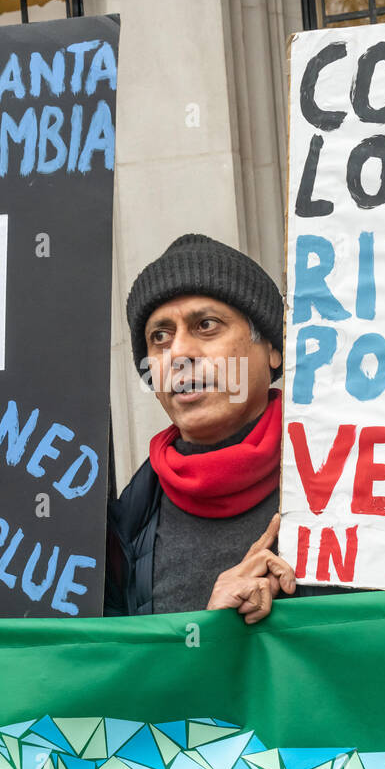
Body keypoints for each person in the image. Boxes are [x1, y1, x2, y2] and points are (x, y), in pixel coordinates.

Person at [106, 233, 298, 622]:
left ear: (273, 349)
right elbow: (117, 675)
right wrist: (210, 630)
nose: (177, 353)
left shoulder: (350, 482)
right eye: (159, 337)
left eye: (206, 325)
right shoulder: (124, 524)